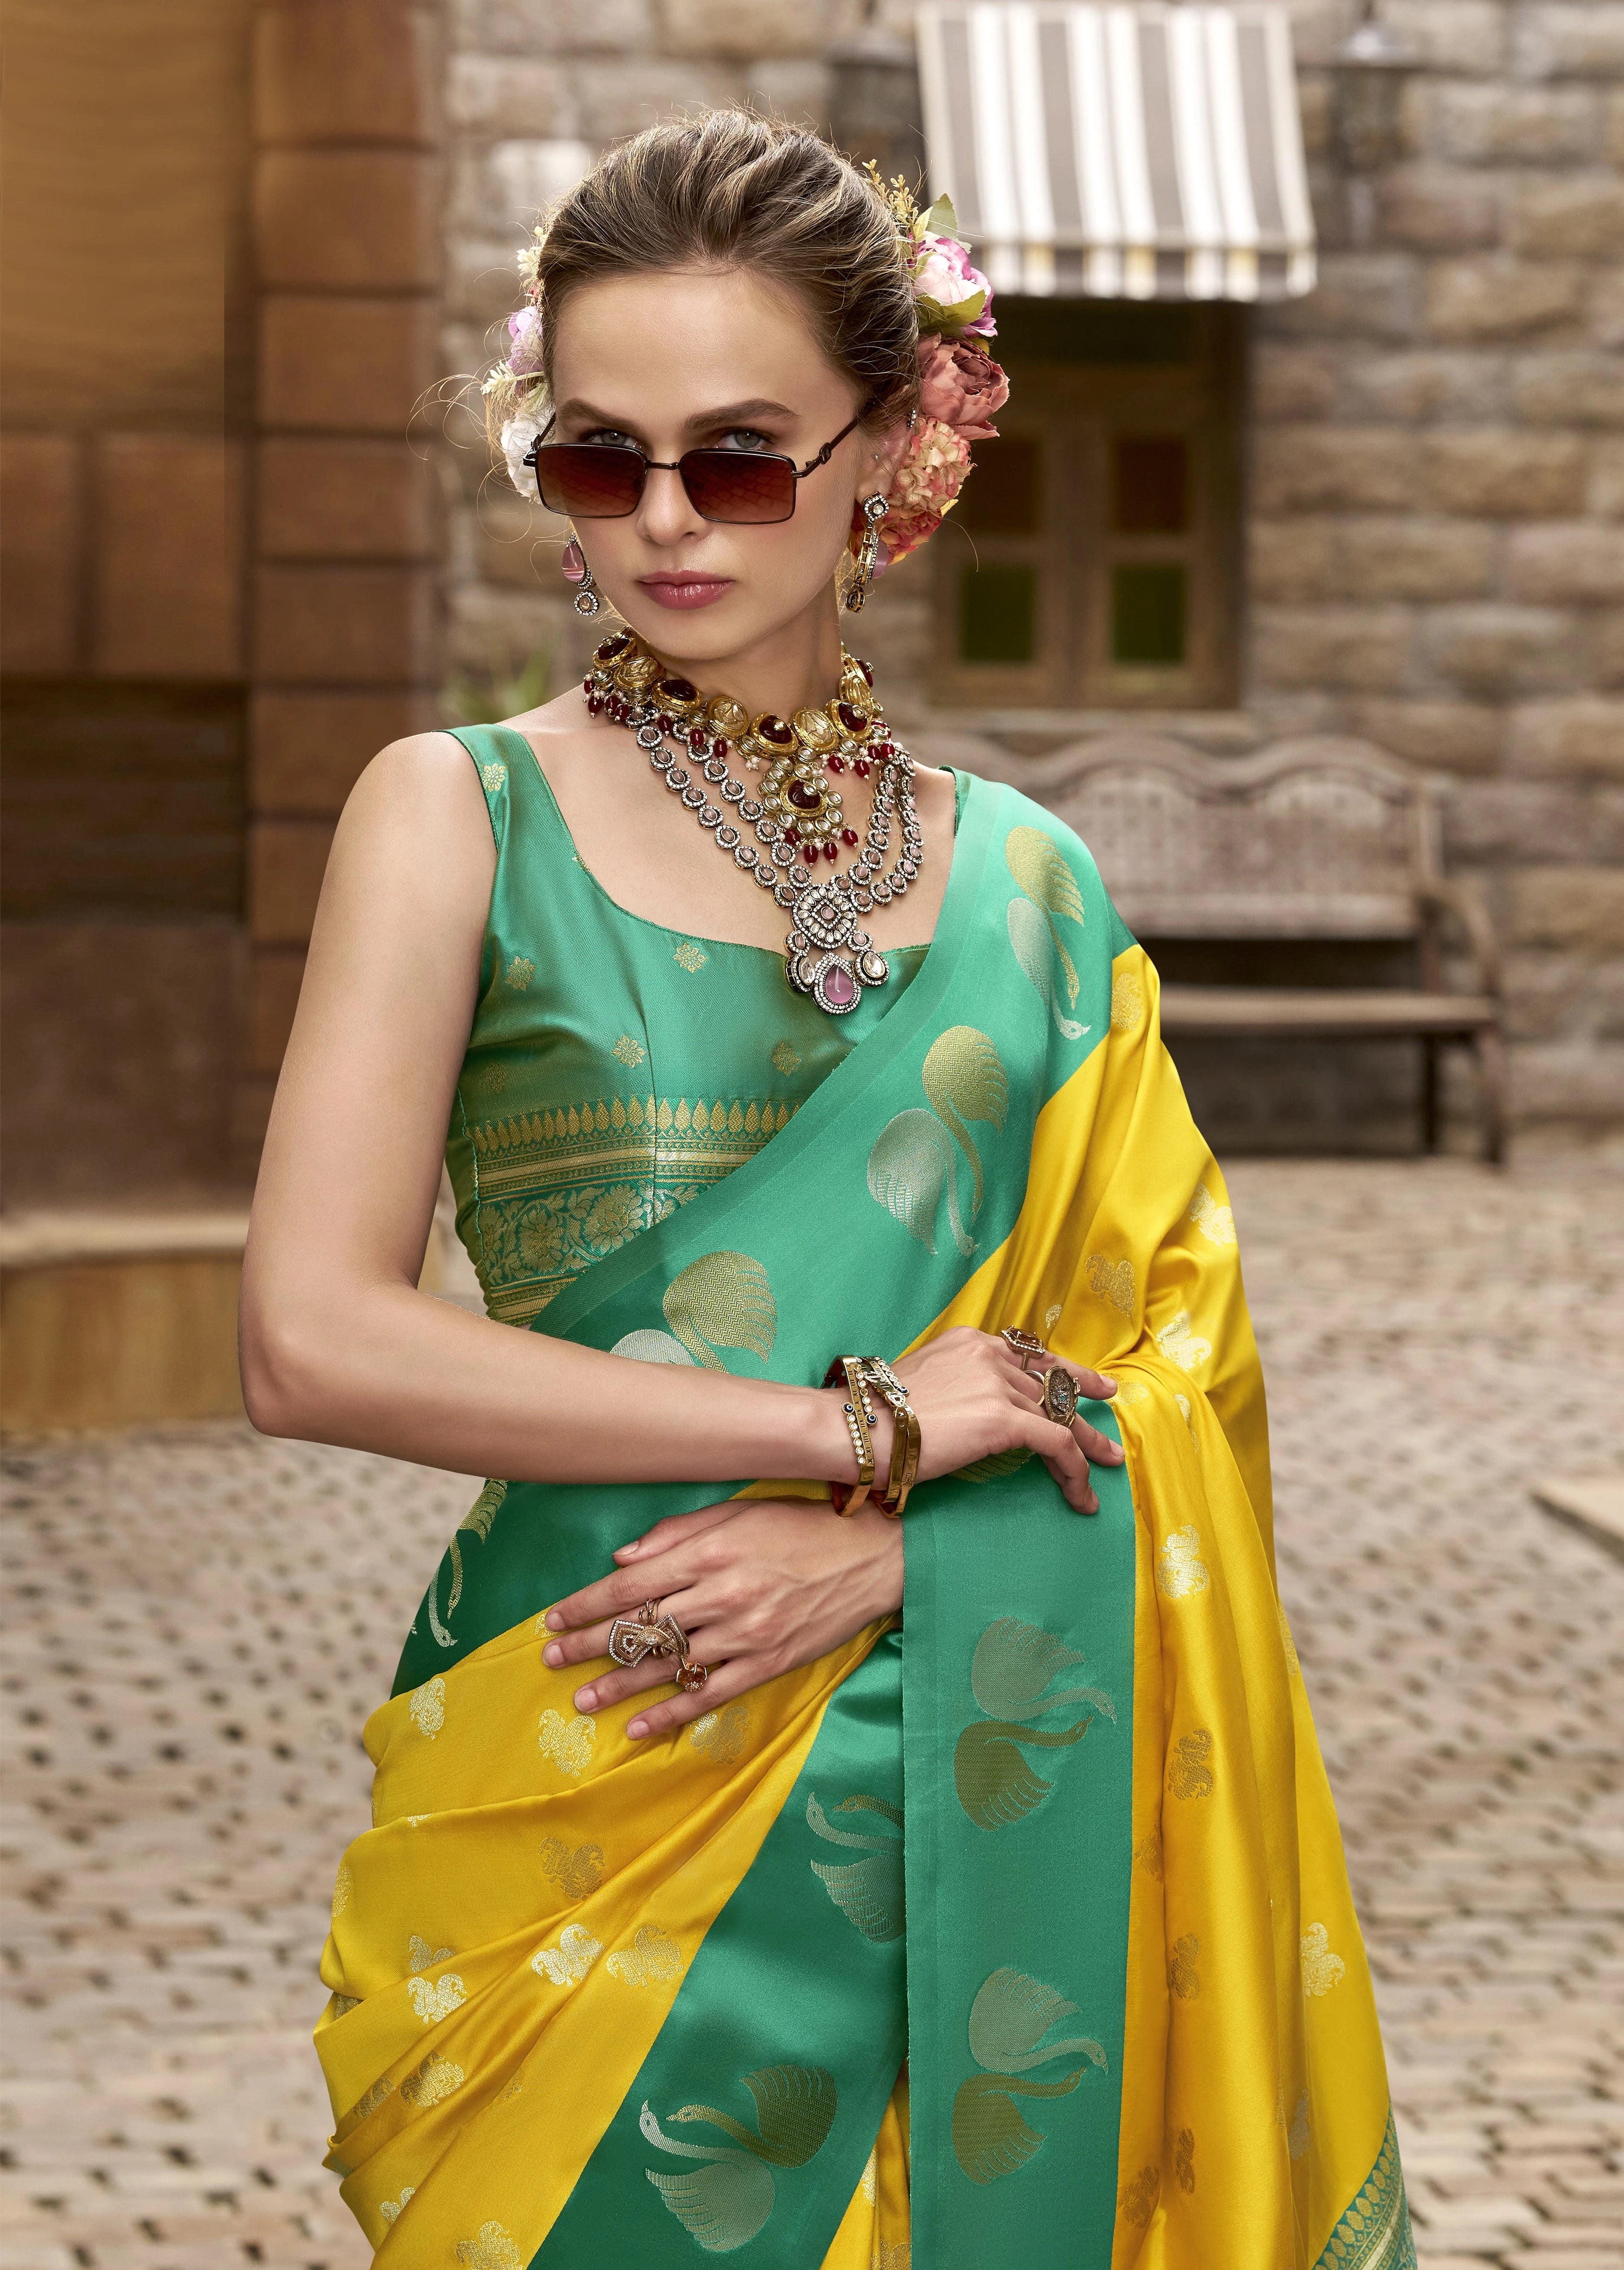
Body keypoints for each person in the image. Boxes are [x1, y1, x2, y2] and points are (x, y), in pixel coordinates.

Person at [240, 110, 1413, 2270]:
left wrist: (890, 1559)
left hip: (980, 1762)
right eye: (601, 460)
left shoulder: (1035, 895)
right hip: (598, 1734)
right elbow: (309, 1338)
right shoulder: (453, 817)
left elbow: (1161, 1364)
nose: (667, 522)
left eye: (743, 456)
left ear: (894, 444)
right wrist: (843, 1435)